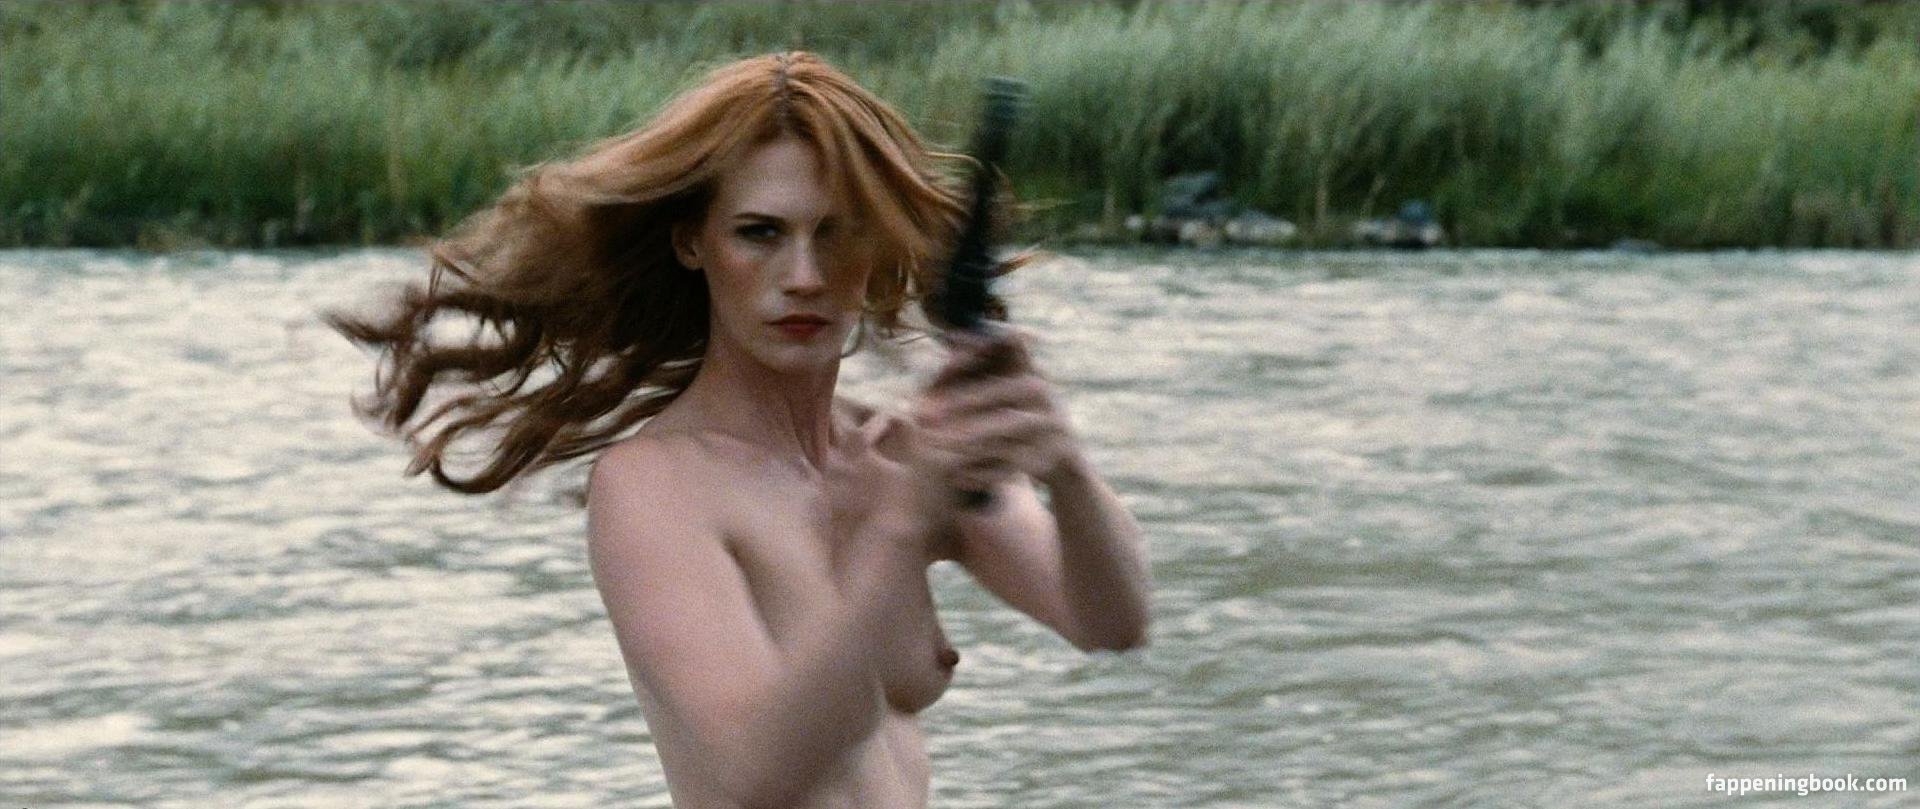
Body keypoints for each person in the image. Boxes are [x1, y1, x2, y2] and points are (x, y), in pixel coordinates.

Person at [328, 52, 1150, 808]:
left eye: (836, 232)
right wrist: (900, 529)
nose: (804, 276)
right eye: (761, 233)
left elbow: (1111, 621)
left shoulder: (898, 454)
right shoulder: (656, 484)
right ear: (694, 241)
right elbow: (748, 779)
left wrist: (1064, 465)